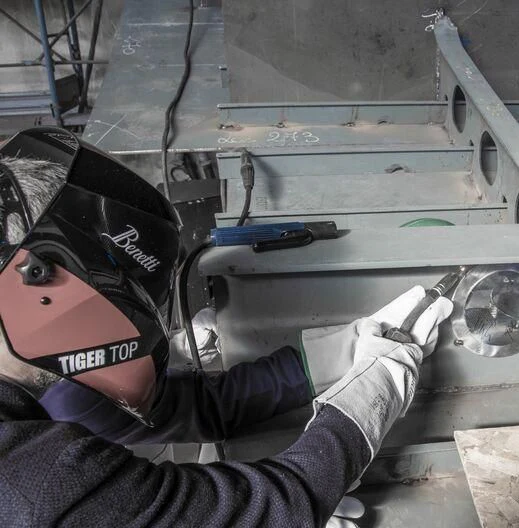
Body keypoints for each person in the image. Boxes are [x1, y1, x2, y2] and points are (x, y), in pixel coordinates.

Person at [0, 127, 453, 527]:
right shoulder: (35, 483)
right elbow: (277, 505)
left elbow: (200, 406)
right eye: (132, 299)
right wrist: (372, 398)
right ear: (39, 278)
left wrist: (348, 346)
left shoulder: (58, 385)